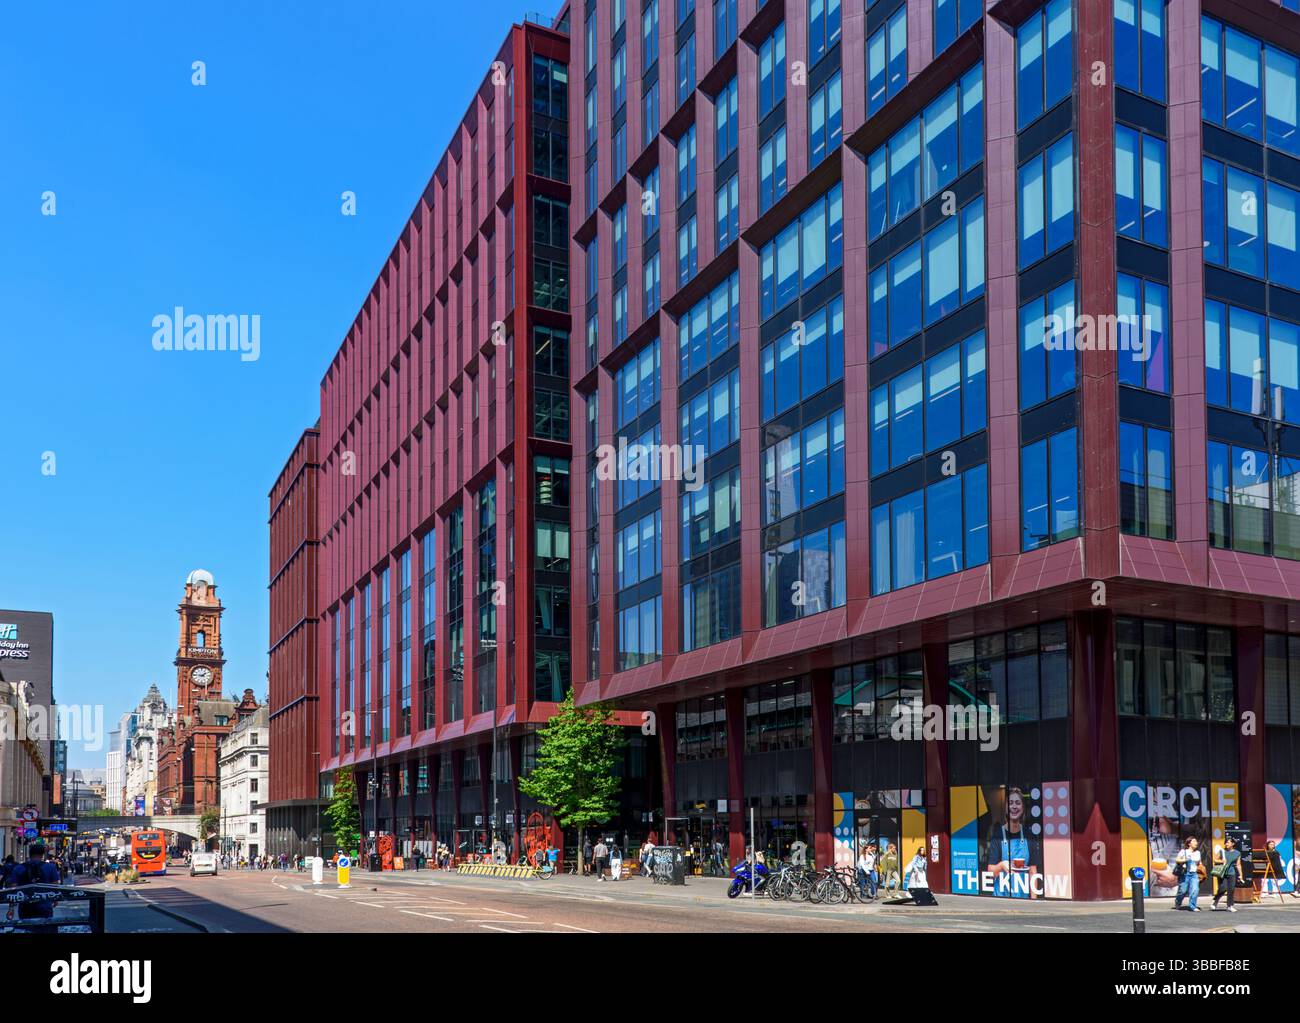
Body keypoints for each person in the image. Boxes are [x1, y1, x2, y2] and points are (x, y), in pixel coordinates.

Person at [4, 842, 64, 920]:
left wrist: (11, 908)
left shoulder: (18, 868)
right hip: (45, 906)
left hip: (25, 907)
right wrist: (55, 900)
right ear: (42, 854)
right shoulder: (50, 867)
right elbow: (55, 886)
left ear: (29, 854)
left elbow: (13, 889)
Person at [1213, 837, 1243, 912]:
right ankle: (1215, 901)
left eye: (1228, 842)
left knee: (1231, 889)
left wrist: (1241, 875)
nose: (1226, 844)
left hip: (1231, 872)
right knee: (1223, 888)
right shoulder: (1222, 851)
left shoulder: (1237, 853)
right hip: (1222, 872)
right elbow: (1215, 860)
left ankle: (1230, 905)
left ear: (1233, 844)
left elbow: (1238, 864)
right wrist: (1221, 861)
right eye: (1226, 842)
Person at [1173, 836, 1202, 911]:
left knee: (1195, 890)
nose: (1196, 843)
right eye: (1194, 841)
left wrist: (1201, 867)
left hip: (1194, 874)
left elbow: (1199, 863)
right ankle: (1178, 901)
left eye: (1196, 841)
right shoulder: (1184, 851)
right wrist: (1185, 860)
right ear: (1189, 843)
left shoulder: (1198, 853)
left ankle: (1193, 906)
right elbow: (1177, 860)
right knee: (1183, 890)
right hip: (1185, 873)